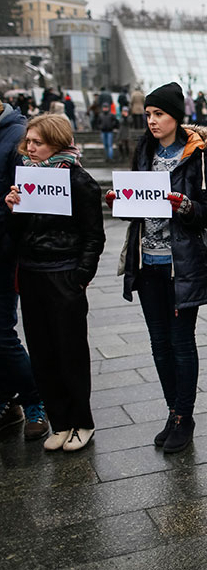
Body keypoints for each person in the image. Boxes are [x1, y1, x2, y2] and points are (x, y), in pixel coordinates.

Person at [106, 83, 207, 453]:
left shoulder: (198, 155)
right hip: (147, 261)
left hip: (181, 264)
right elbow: (135, 202)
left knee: (181, 342)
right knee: (159, 344)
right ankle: (173, 412)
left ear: (176, 117)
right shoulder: (144, 150)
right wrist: (117, 200)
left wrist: (185, 206)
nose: (153, 121)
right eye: (149, 115)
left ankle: (184, 417)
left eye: (159, 114)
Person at [4, 114, 105, 451]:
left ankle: (82, 423)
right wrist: (13, 209)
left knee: (70, 351)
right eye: (28, 142)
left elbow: (94, 235)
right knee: (43, 351)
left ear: (56, 144)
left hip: (63, 275)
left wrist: (80, 277)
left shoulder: (79, 181)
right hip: (32, 275)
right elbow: (18, 235)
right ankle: (60, 422)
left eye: (37, 143)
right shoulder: (26, 180)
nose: (29, 148)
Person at [0, 100, 49, 440]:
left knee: (2, 333)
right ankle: (8, 399)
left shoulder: (16, 135)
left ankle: (35, 400)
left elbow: (30, 198)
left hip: (4, 251)